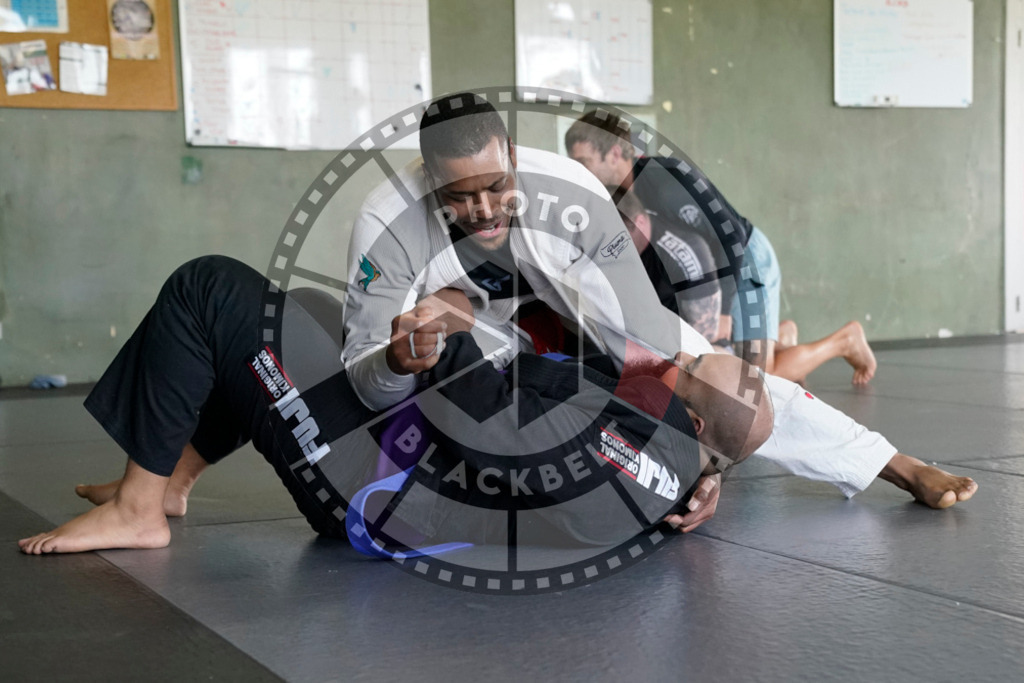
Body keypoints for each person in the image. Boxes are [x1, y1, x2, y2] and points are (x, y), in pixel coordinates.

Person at [342, 93, 976, 528]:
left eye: (495, 187)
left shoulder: (573, 196)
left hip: (566, 300)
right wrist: (399, 359)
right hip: (494, 341)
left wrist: (705, 458)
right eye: (461, 196)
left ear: (509, 150)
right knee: (445, 321)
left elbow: (652, 345)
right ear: (428, 176)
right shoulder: (386, 221)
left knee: (725, 382)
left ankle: (890, 462)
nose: (482, 209)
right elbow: (364, 377)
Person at [19, 256, 771, 554]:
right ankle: (172, 479)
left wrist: (447, 324)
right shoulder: (669, 457)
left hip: (373, 487)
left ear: (697, 419)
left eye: (711, 367)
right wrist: (713, 477)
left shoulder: (638, 442)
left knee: (210, 289)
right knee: (305, 308)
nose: (701, 352)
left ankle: (140, 510)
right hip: (411, 460)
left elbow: (490, 422)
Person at [564, 111, 878, 386]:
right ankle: (781, 336)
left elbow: (731, 236)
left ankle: (843, 341)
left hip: (744, 259)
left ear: (615, 153)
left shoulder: (664, 181)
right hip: (714, 270)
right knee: (733, 365)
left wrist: (724, 310)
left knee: (754, 381)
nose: (577, 171)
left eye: (582, 162)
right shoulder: (619, 195)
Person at [611, 186, 722, 343]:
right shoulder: (619, 240)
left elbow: (705, 335)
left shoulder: (685, 253)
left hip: (677, 345)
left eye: (618, 239)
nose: (611, 247)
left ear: (639, 223)